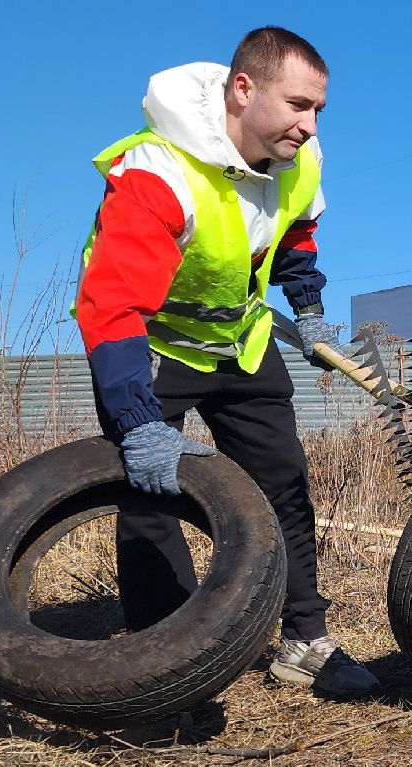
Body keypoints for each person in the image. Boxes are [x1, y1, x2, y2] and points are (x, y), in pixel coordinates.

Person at [74, 26, 378, 698]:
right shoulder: (158, 171)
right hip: (151, 346)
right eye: (298, 104)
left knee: (284, 484)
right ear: (242, 90)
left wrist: (309, 310)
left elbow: (296, 232)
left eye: (318, 109)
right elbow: (112, 304)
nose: (310, 124)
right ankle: (169, 664)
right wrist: (136, 418)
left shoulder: (300, 159)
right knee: (151, 491)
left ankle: (305, 643)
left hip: (240, 339)